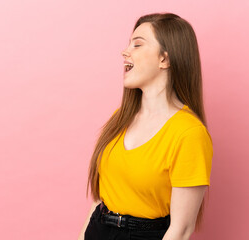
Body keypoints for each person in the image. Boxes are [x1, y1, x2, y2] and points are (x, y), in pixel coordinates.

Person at [78, 13, 214, 240]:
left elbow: (181, 230)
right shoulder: (119, 119)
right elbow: (99, 200)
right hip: (99, 229)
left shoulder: (189, 133)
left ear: (165, 59)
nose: (125, 52)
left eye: (137, 44)